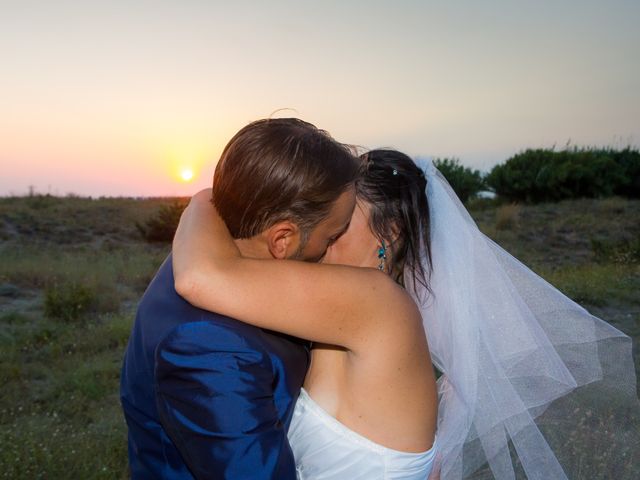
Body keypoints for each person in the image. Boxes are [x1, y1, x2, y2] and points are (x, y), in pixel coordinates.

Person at [174, 149, 640, 479]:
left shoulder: (374, 303)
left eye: (338, 224)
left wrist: (206, 198)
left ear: (389, 232)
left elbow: (201, 276)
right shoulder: (363, 309)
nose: (321, 232)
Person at [120, 118, 360, 479]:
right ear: (283, 240)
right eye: (330, 237)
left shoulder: (206, 252)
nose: (332, 250)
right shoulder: (210, 347)